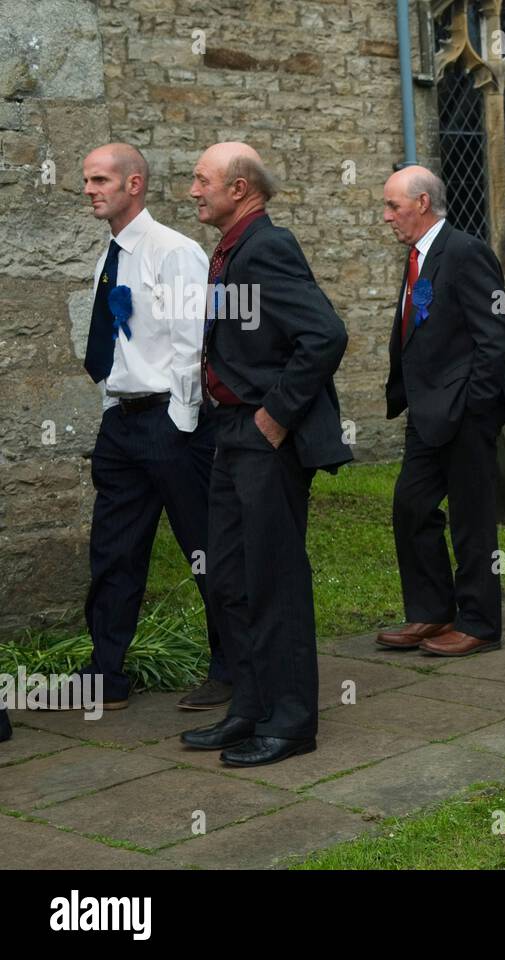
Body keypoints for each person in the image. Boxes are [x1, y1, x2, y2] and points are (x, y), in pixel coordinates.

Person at [179, 142, 350, 767]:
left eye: (202, 180)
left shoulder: (267, 247)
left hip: (263, 439)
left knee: (273, 580)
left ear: (240, 187)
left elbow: (325, 335)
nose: (194, 190)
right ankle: (249, 707)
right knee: (228, 576)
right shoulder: (230, 248)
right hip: (227, 432)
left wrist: (275, 415)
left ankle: (291, 721)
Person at [78, 142, 229, 712]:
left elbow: (193, 343)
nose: (89, 190)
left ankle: (231, 667)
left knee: (205, 549)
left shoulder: (174, 252)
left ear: (133, 183)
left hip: (171, 424)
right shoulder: (111, 254)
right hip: (120, 424)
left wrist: (180, 423)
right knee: (113, 552)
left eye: (99, 180)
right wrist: (111, 410)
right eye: (87, 181)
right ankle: (107, 677)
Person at [375, 167, 505, 655]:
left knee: (471, 520)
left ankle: (479, 623)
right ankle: (432, 612)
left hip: (464, 414)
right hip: (426, 413)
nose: (387, 216)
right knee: (411, 507)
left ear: (421, 203)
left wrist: (472, 406)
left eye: (393, 206)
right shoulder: (419, 256)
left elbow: (494, 336)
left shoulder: (464, 251)